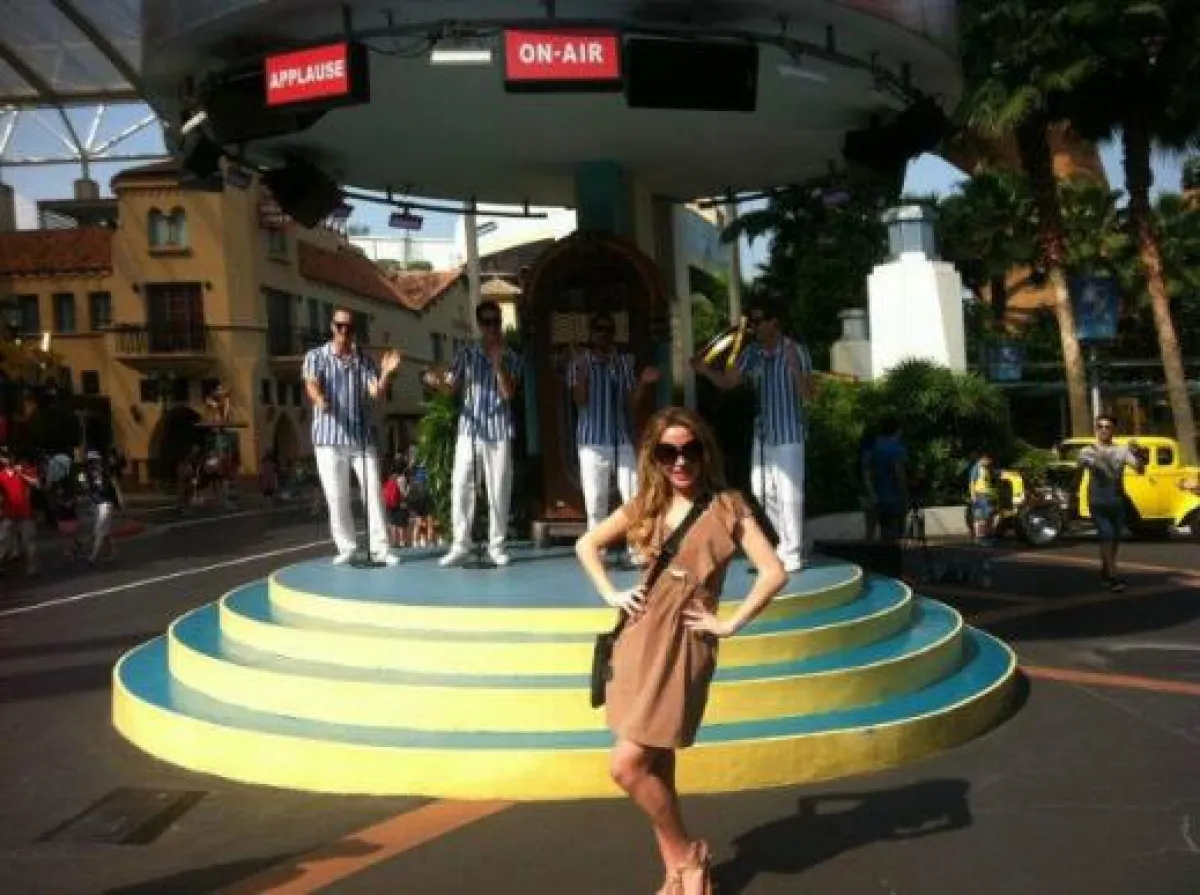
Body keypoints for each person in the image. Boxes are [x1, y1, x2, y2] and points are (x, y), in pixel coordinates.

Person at [575, 407, 787, 895]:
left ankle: (690, 857)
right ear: (654, 457)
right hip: (639, 640)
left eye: (689, 450)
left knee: (626, 766)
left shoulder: (728, 506)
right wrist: (611, 593)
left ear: (704, 452)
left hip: (686, 646)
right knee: (656, 765)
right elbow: (587, 545)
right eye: (668, 452)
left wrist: (729, 623)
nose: (680, 461)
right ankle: (677, 872)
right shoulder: (647, 504)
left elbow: (774, 572)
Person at [692, 300, 814, 572]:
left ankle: (793, 552)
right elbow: (728, 382)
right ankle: (792, 541)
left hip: (789, 432)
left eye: (759, 321)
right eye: (753, 321)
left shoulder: (796, 350)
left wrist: (795, 368)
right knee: (761, 490)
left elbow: (809, 394)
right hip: (764, 432)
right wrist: (705, 370)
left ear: (774, 323)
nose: (754, 327)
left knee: (789, 493)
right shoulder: (753, 353)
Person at [302, 307, 403, 566]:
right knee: (337, 496)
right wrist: (320, 399)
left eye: (349, 327)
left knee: (373, 492)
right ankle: (346, 547)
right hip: (329, 439)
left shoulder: (363, 360)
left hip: (361, 437)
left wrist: (386, 373)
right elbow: (311, 383)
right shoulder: (316, 356)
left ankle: (381, 548)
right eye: (340, 326)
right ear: (332, 327)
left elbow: (376, 393)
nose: (344, 331)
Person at [435, 300, 524, 568]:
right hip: (469, 429)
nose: (492, 327)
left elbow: (509, 393)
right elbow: (451, 387)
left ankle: (496, 546)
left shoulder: (513, 357)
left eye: (496, 322)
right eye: (487, 322)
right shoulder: (465, 353)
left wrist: (498, 365)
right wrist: (436, 381)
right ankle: (460, 545)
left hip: (498, 429)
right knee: (461, 484)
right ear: (479, 325)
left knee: (499, 489)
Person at [568, 311, 660, 543]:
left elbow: (631, 403)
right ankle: (598, 548)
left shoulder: (621, 363)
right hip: (592, 441)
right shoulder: (579, 362)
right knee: (595, 501)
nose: (604, 334)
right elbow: (580, 400)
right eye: (599, 329)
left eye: (609, 330)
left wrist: (643, 382)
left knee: (632, 494)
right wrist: (581, 372)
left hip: (620, 438)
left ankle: (636, 547)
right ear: (591, 334)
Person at [1077, 414, 1146, 591]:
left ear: (1113, 430)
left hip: (1117, 499)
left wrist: (1139, 454)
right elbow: (1081, 467)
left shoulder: (1122, 451)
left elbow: (1140, 470)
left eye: (1107, 427)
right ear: (1096, 429)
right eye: (1100, 426)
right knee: (1106, 535)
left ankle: (1106, 572)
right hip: (1097, 499)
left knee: (1113, 538)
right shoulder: (1087, 450)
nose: (1103, 430)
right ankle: (1113, 575)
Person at [869, 418, 909, 543]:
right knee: (896, 532)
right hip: (894, 496)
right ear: (898, 431)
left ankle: (885, 552)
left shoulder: (875, 447)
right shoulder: (897, 449)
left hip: (879, 495)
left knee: (885, 530)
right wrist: (905, 496)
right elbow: (899, 474)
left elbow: (870, 471)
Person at [0, 448, 39, 574]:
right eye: (3, 458)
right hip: (8, 513)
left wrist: (21, 474)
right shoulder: (1, 475)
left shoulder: (24, 470)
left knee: (29, 540)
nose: (6, 460)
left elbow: (36, 484)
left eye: (8, 457)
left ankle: (31, 567)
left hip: (25, 513)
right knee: (3, 540)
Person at [84, 450, 123, 564]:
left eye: (95, 461)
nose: (93, 464)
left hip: (106, 504)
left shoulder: (107, 472)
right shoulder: (88, 475)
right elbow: (88, 491)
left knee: (99, 530)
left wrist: (121, 501)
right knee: (105, 531)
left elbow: (116, 487)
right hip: (97, 505)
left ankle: (93, 556)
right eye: (90, 462)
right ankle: (113, 551)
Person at [968, 451, 1000, 547]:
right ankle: (982, 538)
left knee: (980, 517)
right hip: (980, 495)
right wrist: (973, 496)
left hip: (983, 495)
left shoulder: (984, 468)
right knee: (984, 517)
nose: (989, 463)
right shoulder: (976, 468)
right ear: (983, 459)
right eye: (988, 461)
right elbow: (971, 482)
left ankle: (979, 538)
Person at [857, 427, 879, 541]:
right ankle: (869, 538)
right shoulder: (869, 452)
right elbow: (867, 473)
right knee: (872, 515)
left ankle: (869, 538)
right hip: (870, 489)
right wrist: (872, 492)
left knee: (870, 516)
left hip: (865, 489)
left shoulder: (863, 451)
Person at [384, 459, 410, 548]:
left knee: (393, 523)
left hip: (390, 504)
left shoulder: (391, 477)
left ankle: (394, 542)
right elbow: (403, 493)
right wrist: (408, 490)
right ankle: (403, 542)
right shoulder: (402, 478)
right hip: (400, 504)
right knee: (402, 524)